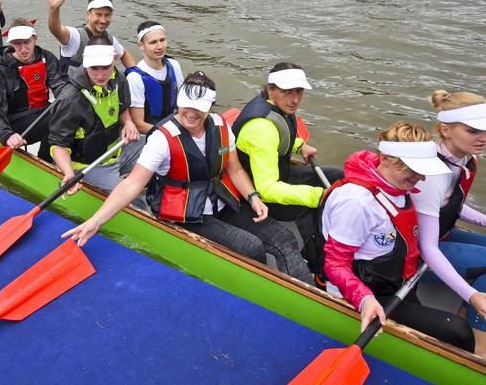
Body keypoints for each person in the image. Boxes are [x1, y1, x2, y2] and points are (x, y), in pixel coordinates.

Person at [63, 72, 312, 283]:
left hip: (220, 202)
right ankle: (254, 287)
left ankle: (308, 298)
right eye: (185, 106)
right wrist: (95, 221)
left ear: (211, 108)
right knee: (251, 247)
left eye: (199, 108)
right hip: (187, 213)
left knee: (284, 238)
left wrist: (253, 196)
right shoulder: (162, 138)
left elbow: (234, 169)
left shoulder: (220, 126)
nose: (190, 114)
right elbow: (132, 184)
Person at [322, 121, 474, 353]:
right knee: (459, 331)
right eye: (412, 169)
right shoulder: (357, 202)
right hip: (361, 292)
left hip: (394, 283)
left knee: (447, 330)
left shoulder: (398, 187)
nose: (421, 178)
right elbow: (334, 263)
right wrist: (364, 299)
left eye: (423, 169)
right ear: (384, 158)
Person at [413, 91, 486, 362]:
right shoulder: (431, 172)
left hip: (438, 235)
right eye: (474, 130)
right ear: (445, 130)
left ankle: (468, 321)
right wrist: (471, 293)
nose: (485, 137)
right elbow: (428, 248)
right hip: (416, 253)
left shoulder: (461, 159)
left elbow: (451, 203)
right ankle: (477, 347)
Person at [232, 63, 342, 283]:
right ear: (270, 89)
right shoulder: (261, 128)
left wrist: (299, 146)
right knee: (308, 207)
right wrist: (317, 197)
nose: (294, 99)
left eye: (299, 91)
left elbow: (282, 134)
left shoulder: (277, 106)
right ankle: (319, 268)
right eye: (286, 91)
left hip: (277, 172)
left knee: (336, 175)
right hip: (256, 193)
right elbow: (267, 189)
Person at [48, 37, 143, 198]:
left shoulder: (119, 80)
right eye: (94, 68)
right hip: (88, 165)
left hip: (117, 150)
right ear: (84, 60)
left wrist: (128, 123)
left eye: (105, 67)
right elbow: (57, 145)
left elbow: (123, 109)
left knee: (161, 147)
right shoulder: (70, 99)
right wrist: (69, 173)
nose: (100, 75)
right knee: (132, 198)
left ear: (114, 59)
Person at [0, 19, 66, 162]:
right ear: (11, 43)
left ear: (35, 39)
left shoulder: (47, 58)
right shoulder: (0, 69)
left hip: (43, 112)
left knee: (70, 115)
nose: (23, 49)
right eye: (17, 43)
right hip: (15, 122)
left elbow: (62, 89)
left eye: (26, 42)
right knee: (55, 121)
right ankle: (46, 162)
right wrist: (7, 135)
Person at [46, 0, 135, 77]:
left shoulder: (109, 38)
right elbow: (55, 29)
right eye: (98, 14)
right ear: (88, 14)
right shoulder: (75, 37)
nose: (103, 20)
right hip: (70, 90)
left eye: (107, 15)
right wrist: (54, 9)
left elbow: (124, 54)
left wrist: (136, 75)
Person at [124, 21, 184, 134]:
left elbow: (182, 102)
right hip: (149, 134)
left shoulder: (173, 65)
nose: (160, 46)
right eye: (153, 42)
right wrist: (168, 134)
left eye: (162, 40)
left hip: (172, 126)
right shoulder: (135, 78)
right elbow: (139, 124)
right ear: (141, 45)